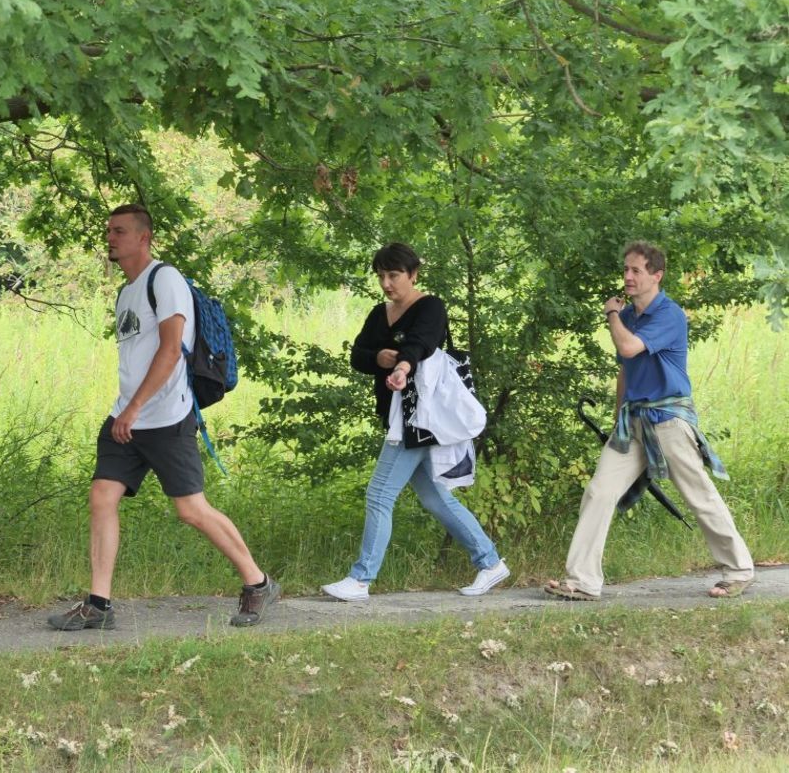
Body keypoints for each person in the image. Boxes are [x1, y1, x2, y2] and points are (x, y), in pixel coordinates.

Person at [49, 204, 279, 630]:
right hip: (126, 418)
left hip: (166, 417)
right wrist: (127, 410)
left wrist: (136, 407)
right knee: (102, 496)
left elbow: (171, 350)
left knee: (191, 509)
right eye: (108, 231)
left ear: (144, 237)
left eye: (119, 231)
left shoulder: (165, 279)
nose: (110, 238)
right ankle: (98, 605)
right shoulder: (126, 292)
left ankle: (258, 582)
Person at [546, 241, 755, 601]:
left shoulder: (668, 314)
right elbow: (625, 368)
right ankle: (583, 581)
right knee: (599, 491)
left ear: (656, 276)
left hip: (669, 419)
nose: (628, 276)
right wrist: (618, 419)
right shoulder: (628, 317)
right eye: (625, 269)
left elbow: (629, 347)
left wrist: (611, 314)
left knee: (698, 495)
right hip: (633, 422)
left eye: (636, 270)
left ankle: (738, 570)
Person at [322, 243, 508, 602]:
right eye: (381, 276)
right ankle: (490, 562)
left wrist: (403, 366)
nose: (386, 283)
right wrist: (379, 357)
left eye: (393, 275)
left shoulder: (430, 307)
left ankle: (361, 579)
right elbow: (358, 355)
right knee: (436, 498)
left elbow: (422, 344)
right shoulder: (379, 314)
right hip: (397, 416)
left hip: (418, 417)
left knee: (379, 494)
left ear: (413, 274)